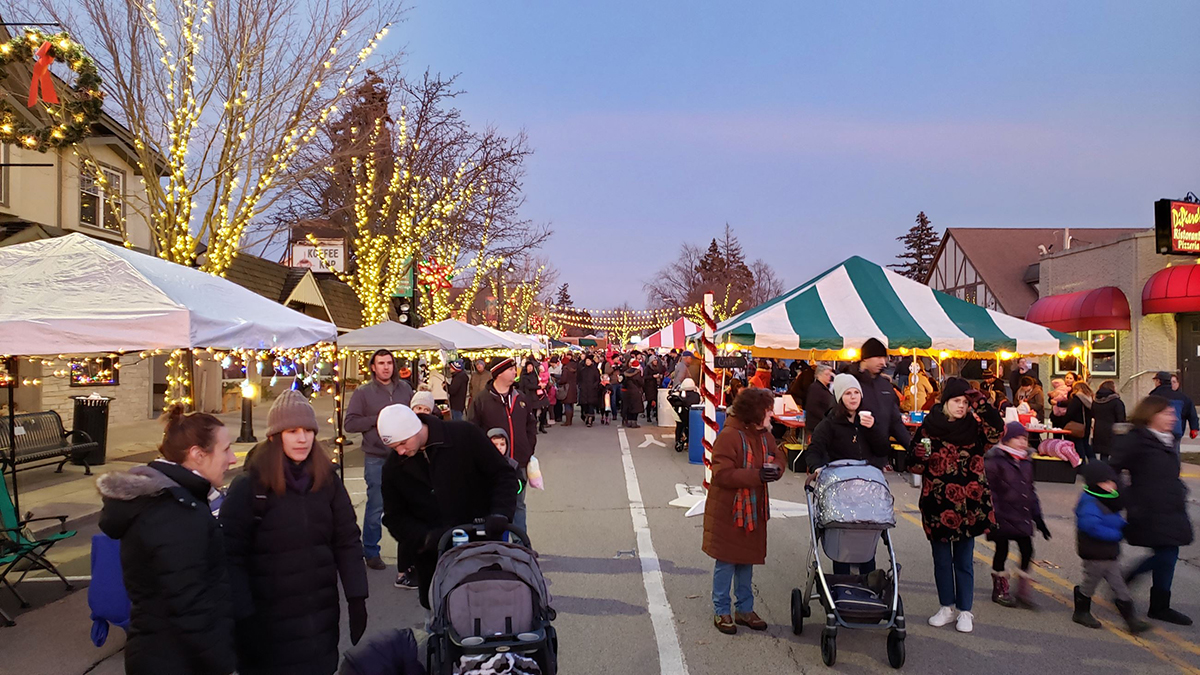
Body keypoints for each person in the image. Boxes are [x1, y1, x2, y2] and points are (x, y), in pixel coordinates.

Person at [220, 391, 368, 675]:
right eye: (293, 431)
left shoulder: (327, 481)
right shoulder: (250, 486)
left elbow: (347, 539)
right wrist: (243, 615)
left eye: (308, 431)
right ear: (276, 435)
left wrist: (356, 595)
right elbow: (230, 556)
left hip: (320, 619)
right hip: (269, 622)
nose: (303, 439)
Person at [97, 406, 238, 675]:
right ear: (197, 455)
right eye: (226, 449)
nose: (232, 459)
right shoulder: (175, 512)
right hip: (177, 660)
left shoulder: (176, 499)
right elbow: (189, 605)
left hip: (164, 653)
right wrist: (222, 664)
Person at [377, 404, 518, 609]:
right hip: (433, 563)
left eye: (403, 443)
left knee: (489, 616)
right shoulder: (393, 467)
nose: (401, 451)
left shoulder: (464, 435)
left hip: (482, 548)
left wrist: (500, 513)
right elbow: (394, 516)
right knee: (438, 623)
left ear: (415, 428)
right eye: (394, 447)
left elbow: (502, 475)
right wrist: (423, 537)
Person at [908, 377, 1003, 634]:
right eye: (957, 401)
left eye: (965, 402)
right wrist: (918, 456)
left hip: (969, 505)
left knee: (963, 560)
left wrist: (980, 403)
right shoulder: (929, 427)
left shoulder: (974, 429)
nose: (962, 406)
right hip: (937, 504)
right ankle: (946, 606)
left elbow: (997, 428)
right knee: (941, 559)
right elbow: (913, 465)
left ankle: (965, 610)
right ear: (946, 402)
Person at [702, 387, 781, 635]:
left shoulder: (765, 435)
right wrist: (757, 475)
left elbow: (778, 457)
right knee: (726, 562)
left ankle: (745, 609)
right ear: (756, 412)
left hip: (753, 507)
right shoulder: (729, 435)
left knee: (747, 560)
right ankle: (721, 610)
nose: (772, 416)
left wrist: (775, 469)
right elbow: (723, 474)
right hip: (730, 508)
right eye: (769, 411)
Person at [1111, 395, 1195, 625]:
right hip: (1148, 508)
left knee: (1169, 553)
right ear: (1151, 415)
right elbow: (1113, 469)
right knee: (1167, 554)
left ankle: (1159, 604)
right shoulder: (1136, 440)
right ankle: (1130, 582)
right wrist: (1125, 496)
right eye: (1167, 413)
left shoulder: (1167, 440)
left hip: (1171, 506)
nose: (1173, 418)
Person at [343, 349, 414, 571]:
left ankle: (411, 549)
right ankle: (371, 551)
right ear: (373, 367)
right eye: (381, 363)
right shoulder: (364, 393)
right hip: (376, 456)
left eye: (389, 363)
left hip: (404, 455)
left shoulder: (405, 389)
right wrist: (380, 418)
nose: (386, 367)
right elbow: (350, 424)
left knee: (409, 504)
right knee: (376, 505)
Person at [1072, 462, 1151, 634]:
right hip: (1094, 555)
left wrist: (1125, 525)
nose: (1112, 485)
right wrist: (1116, 534)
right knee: (1089, 585)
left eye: (1112, 481)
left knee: (1120, 586)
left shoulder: (1109, 500)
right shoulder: (1089, 502)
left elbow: (1114, 520)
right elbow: (1091, 527)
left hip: (1109, 555)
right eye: (1106, 482)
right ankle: (1081, 611)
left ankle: (1132, 621)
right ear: (1095, 483)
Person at [984, 422, 1049, 610]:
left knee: (1028, 550)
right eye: (1017, 438)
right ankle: (999, 587)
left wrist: (1038, 517)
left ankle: (1023, 588)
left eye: (1024, 439)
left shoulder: (1027, 461)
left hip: (1021, 514)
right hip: (1001, 515)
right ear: (1006, 439)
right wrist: (991, 516)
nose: (1022, 442)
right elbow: (989, 491)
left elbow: (1030, 490)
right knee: (1001, 550)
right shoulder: (994, 461)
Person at [470, 357, 538, 534]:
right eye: (510, 369)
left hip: (519, 461)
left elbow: (531, 424)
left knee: (518, 503)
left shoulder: (520, 397)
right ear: (499, 373)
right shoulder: (482, 400)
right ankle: (496, 543)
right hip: (493, 464)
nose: (515, 372)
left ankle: (520, 544)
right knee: (494, 504)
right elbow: (472, 429)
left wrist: (529, 447)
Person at [806, 373, 885, 471]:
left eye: (856, 392)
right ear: (840, 397)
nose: (853, 397)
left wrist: (873, 428)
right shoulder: (829, 423)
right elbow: (814, 450)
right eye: (848, 393)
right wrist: (816, 468)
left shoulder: (869, 419)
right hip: (840, 476)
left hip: (867, 477)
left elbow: (883, 450)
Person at [851, 338, 912, 462]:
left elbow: (895, 422)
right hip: (852, 456)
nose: (883, 363)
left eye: (884, 358)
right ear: (866, 358)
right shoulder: (850, 382)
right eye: (879, 357)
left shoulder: (885, 386)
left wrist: (912, 447)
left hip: (878, 458)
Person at [1149, 371, 1199, 450]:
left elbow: (1147, 413)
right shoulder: (1182, 397)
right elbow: (1191, 413)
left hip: (1158, 431)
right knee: (1174, 455)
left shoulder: (1153, 396)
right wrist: (1194, 428)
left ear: (1158, 381)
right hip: (1176, 430)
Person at [1091, 380, 1126, 462]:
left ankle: (1103, 470)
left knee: (1104, 453)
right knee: (1114, 452)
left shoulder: (1096, 401)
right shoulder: (1116, 401)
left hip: (1099, 428)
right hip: (1112, 429)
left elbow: (1092, 414)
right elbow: (1120, 417)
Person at [1064, 381, 1095, 461]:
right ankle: (1093, 461)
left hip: (1077, 425)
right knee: (1086, 444)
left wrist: (1065, 422)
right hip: (1086, 425)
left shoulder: (1077, 399)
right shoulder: (1090, 398)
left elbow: (1070, 412)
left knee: (1079, 445)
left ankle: (1082, 464)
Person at [804, 364, 835, 442]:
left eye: (830, 374)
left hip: (822, 425)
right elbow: (812, 407)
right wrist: (826, 418)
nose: (829, 377)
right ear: (819, 375)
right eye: (827, 374)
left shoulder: (825, 388)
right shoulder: (815, 388)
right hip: (816, 425)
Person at [578, 354, 602, 427]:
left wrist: (594, 386)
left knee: (591, 404)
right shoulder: (582, 370)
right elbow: (579, 379)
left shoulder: (595, 370)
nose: (587, 362)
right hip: (584, 390)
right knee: (585, 405)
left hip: (592, 391)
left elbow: (597, 380)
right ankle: (586, 416)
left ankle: (590, 419)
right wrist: (580, 386)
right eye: (586, 361)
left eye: (589, 361)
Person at [622, 361, 645, 427]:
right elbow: (641, 382)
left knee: (629, 407)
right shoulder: (637, 373)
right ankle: (634, 422)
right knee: (636, 407)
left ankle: (629, 422)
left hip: (627, 391)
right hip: (636, 391)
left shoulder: (626, 372)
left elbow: (623, 382)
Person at [560, 354, 579, 426]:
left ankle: (568, 421)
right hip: (573, 387)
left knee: (567, 404)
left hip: (567, 388)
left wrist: (559, 381)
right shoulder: (574, 368)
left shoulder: (565, 369)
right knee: (571, 404)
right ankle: (570, 420)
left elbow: (563, 379)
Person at [644, 356, 663, 423]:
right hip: (649, 387)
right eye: (654, 361)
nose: (655, 362)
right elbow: (645, 377)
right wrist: (652, 376)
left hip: (655, 386)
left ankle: (657, 416)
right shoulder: (647, 368)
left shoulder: (658, 367)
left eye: (656, 361)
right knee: (649, 401)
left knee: (657, 401)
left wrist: (660, 376)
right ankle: (648, 416)